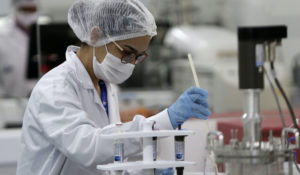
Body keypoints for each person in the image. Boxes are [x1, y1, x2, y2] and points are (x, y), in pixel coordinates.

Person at [16, 0, 211, 174]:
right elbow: (90, 149)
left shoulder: (106, 85)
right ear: (95, 36)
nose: (131, 63)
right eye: (127, 53)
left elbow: (110, 158)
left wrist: (146, 171)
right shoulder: (55, 88)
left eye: (138, 57)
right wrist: (163, 121)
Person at [0, 0, 38, 98]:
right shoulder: (2, 35)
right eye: (25, 10)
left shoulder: (40, 32)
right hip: (7, 102)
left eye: (32, 10)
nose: (29, 14)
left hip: (38, 98)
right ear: (16, 8)